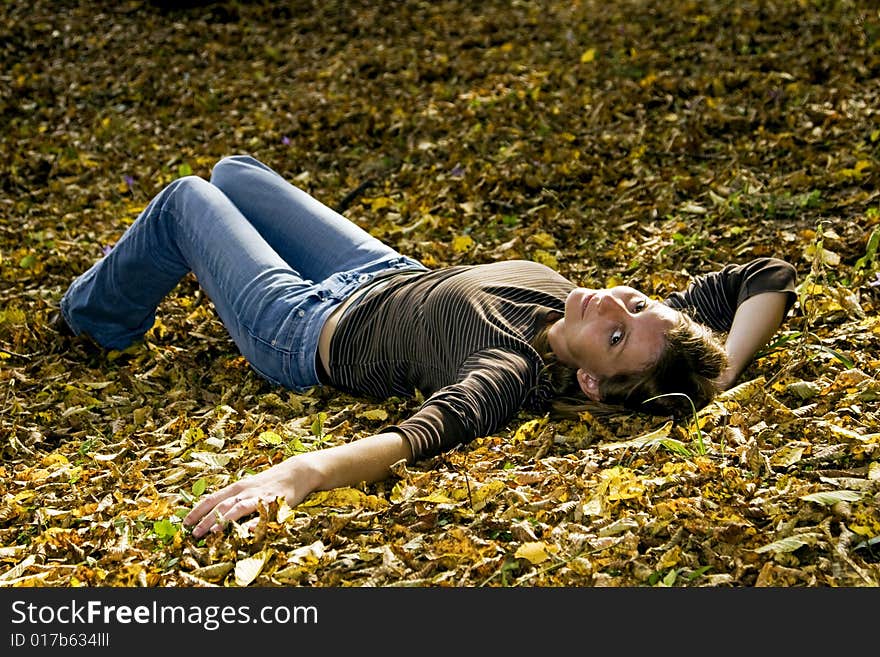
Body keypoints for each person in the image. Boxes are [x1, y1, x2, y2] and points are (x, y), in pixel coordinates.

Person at [57, 155, 797, 538]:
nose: (609, 302)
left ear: (594, 383)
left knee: (189, 196)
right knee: (236, 172)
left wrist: (300, 472)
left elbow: (416, 438)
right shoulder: (649, 334)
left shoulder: (511, 370)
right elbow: (767, 274)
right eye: (633, 304)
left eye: (613, 333)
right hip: (383, 272)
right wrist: (722, 371)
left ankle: (93, 319)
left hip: (303, 325)